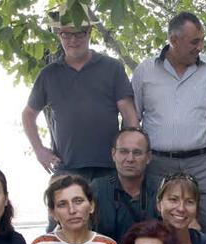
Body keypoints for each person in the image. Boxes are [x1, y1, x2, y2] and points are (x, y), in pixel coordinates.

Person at [131, 11, 206, 242]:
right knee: (155, 232)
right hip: (158, 165)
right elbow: (132, 122)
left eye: (201, 40)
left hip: (203, 164)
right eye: (195, 41)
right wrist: (134, 164)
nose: (200, 46)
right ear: (173, 40)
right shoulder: (145, 71)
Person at [22, 9, 138, 180]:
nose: (73, 40)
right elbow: (28, 114)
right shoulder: (48, 74)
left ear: (90, 32)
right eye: (66, 35)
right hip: (65, 168)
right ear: (58, 35)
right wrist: (39, 150)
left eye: (79, 34)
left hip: (109, 168)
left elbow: (130, 116)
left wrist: (128, 155)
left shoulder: (112, 68)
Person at [91, 127, 161, 244]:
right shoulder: (97, 189)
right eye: (123, 151)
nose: (130, 159)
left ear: (148, 157)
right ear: (113, 154)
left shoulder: (163, 189)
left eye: (137, 152)